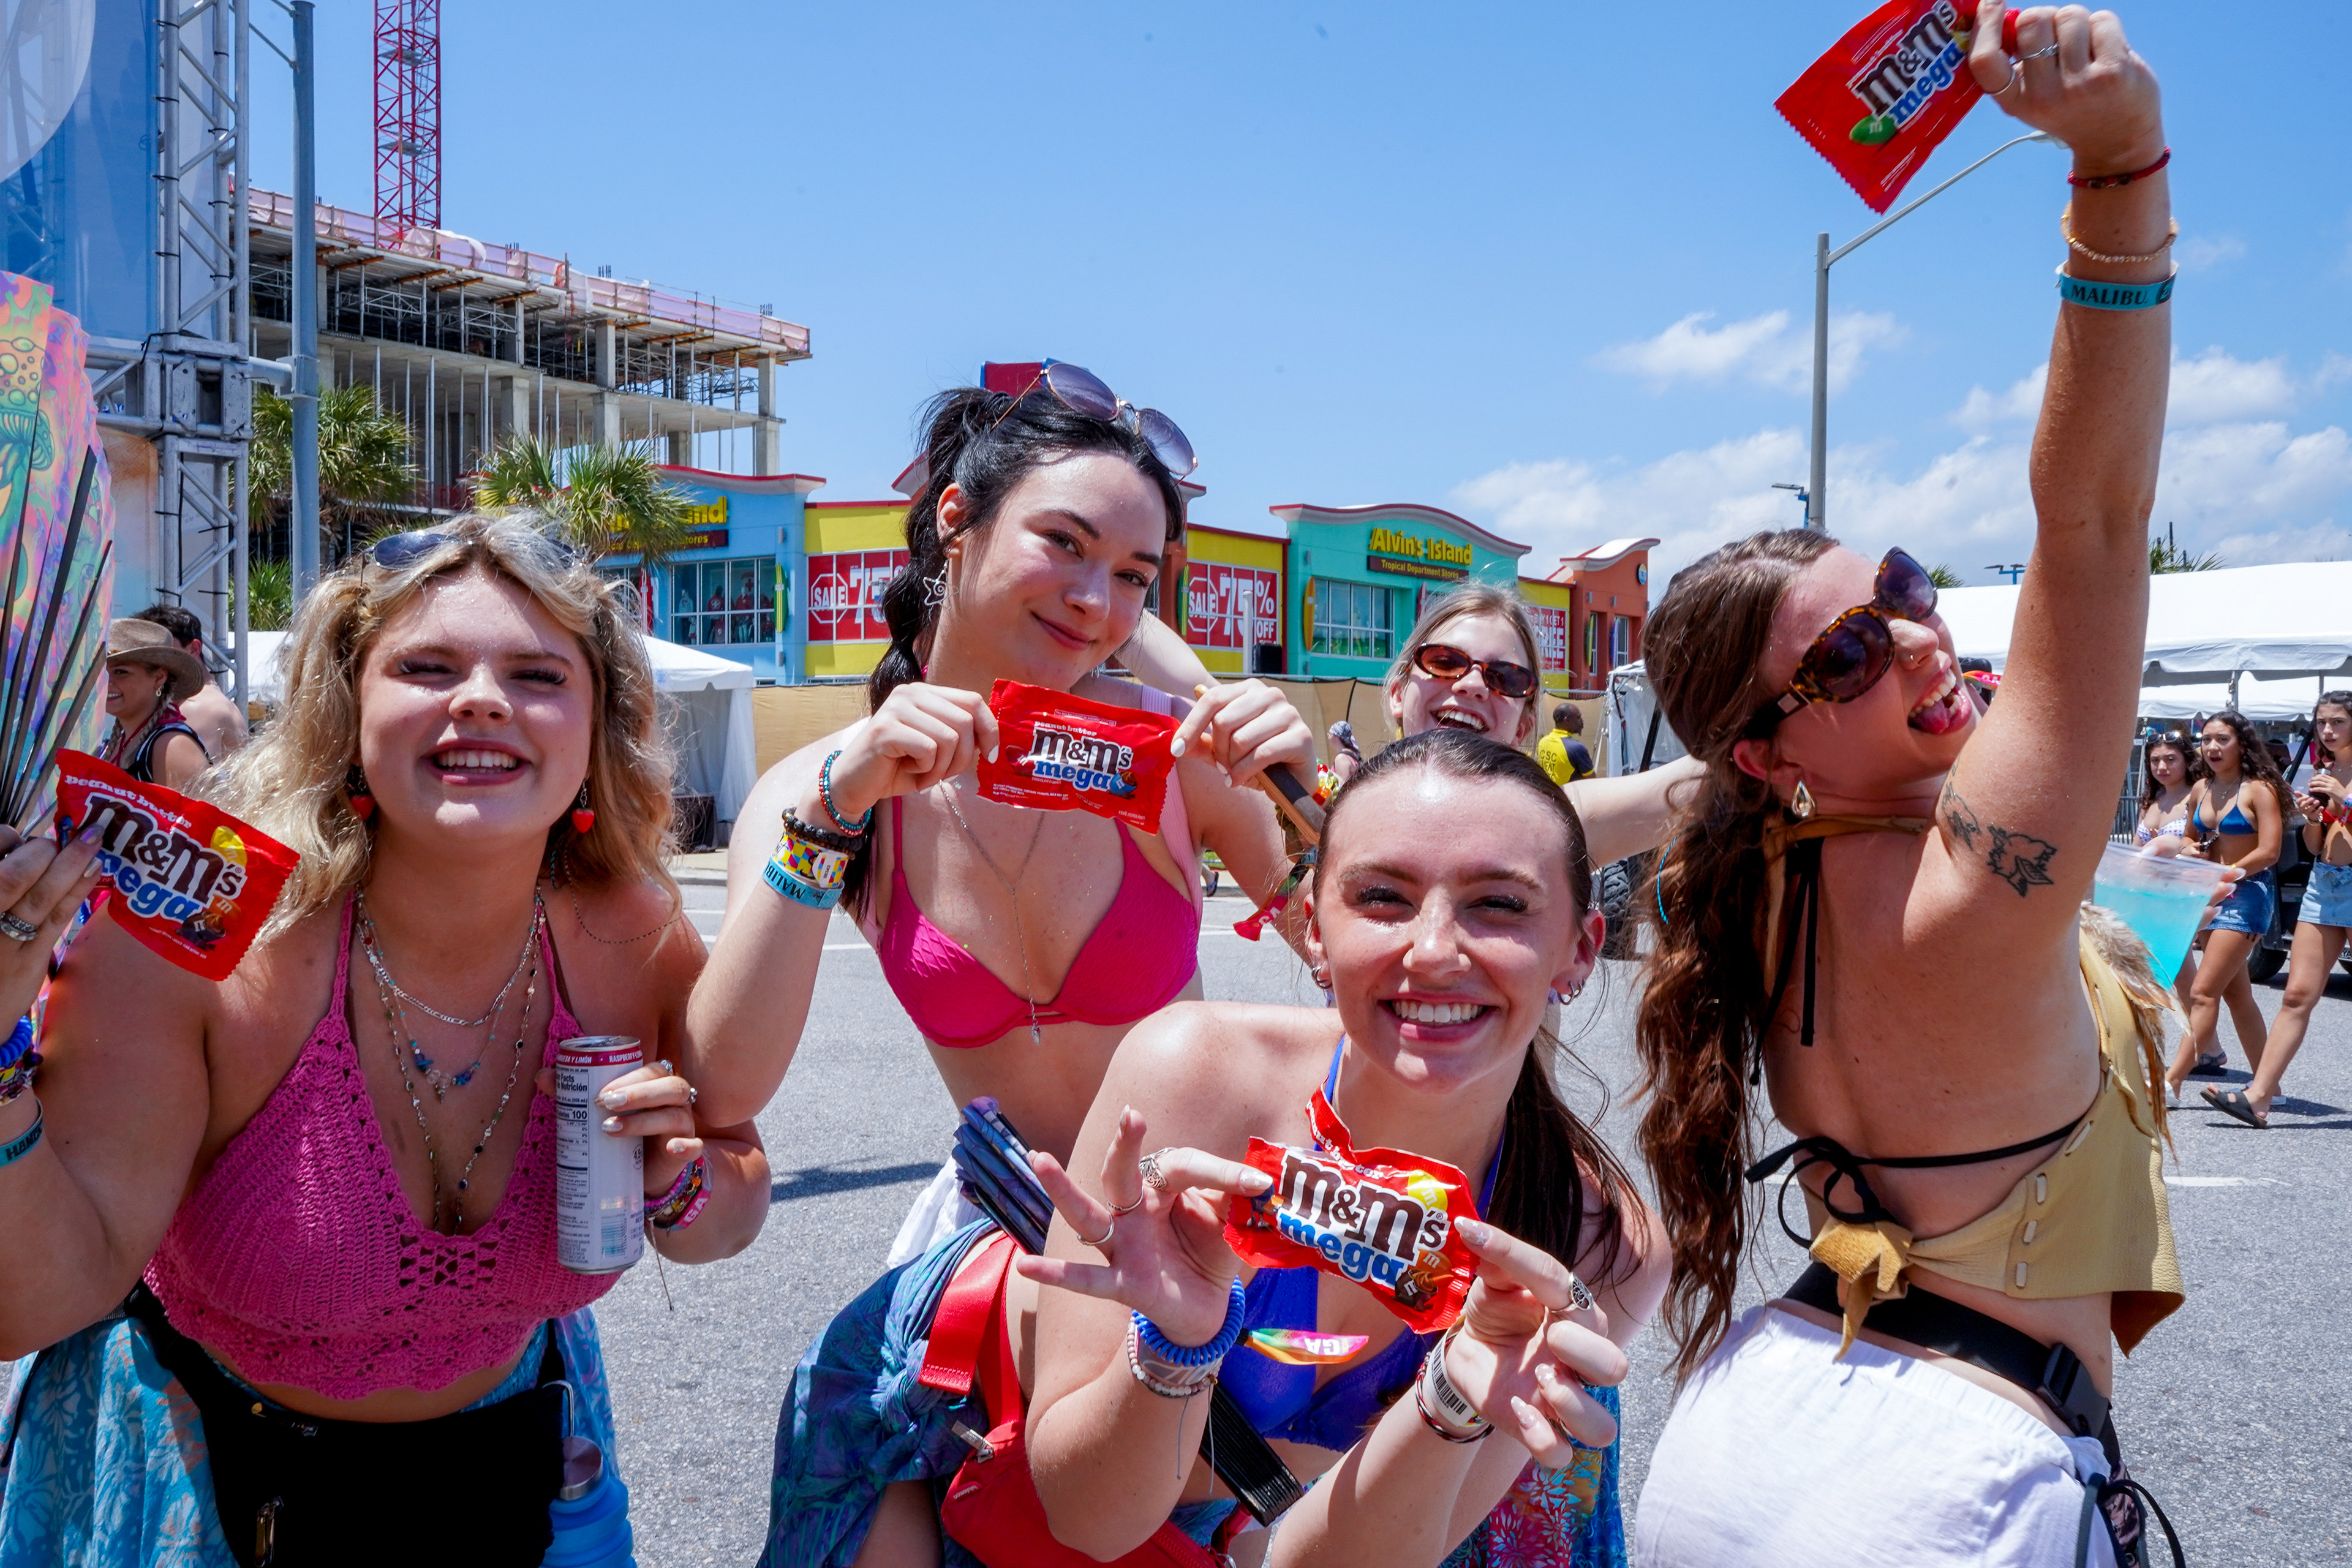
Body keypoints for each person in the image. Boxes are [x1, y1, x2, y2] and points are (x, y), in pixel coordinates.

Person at [1630, 9, 2184, 1561]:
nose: (1925, 637)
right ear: (1767, 750)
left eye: (1904, 586)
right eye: (1854, 649)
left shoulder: (1753, 874)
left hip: (1764, 1412)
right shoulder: (1966, 885)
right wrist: (2120, 168)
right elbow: (2091, 526)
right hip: (1952, 1478)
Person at [0, 514, 768, 1565]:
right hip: (204, 1490)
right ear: (347, 706)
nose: (483, 698)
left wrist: (683, 1189)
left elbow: (733, 1188)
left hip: (527, 1490)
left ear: (595, 726)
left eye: (539, 675)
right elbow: (36, 1304)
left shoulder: (632, 934)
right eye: (427, 667)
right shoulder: (205, 946)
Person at [764, 729, 1668, 1567]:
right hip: (939, 1403)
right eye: (1382, 897)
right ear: (1315, 927)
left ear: (1579, 949)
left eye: (1499, 904)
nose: (1433, 951)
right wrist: (1177, 1346)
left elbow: (1318, 1561)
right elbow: (1087, 1515)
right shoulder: (1196, 1072)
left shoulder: (1593, 1250)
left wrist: (1448, 1405)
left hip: (1219, 1518)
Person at [686, 368, 1320, 1275]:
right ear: (955, 518)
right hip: (1011, 1253)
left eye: (1132, 576)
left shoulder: (1177, 750)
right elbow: (722, 1088)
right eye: (1064, 542)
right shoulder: (822, 787)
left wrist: (1311, 806)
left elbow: (1361, 962)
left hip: (1208, 1243)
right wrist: (832, 814)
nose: (1094, 600)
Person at [1385, 582, 1702, 869]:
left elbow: (1712, 774)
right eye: (1444, 661)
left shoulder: (1548, 826)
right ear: (1398, 694)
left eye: (1506, 678)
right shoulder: (1352, 811)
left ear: (1522, 729)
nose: (1473, 685)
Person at [2205, 690, 2352, 1128]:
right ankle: (2259, 1096)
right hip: (2325, 884)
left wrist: (2344, 801)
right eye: (2322, 722)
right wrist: (2314, 818)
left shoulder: (2337, 780)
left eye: (2338, 722)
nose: (2327, 731)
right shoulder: (2327, 771)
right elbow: (2314, 844)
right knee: (2296, 995)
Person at [2165, 709, 2289, 1101]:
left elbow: (2270, 851)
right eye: (2206, 740)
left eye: (2223, 739)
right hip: (2209, 894)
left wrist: (2228, 873)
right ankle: (2271, 1087)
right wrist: (2192, 850)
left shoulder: (2259, 789)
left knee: (2203, 992)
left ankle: (2171, 1082)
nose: (2212, 747)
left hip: (2247, 895)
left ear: (2242, 744)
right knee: (2238, 996)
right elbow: (2188, 837)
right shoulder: (2201, 788)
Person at [97, 618, 211, 790]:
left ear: (159, 678)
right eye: (101, 671)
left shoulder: (172, 746)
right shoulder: (117, 744)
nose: (106, 682)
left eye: (121, 672)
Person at [2135, 729, 2202, 1007]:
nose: (2162, 766)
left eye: (2171, 759)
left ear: (2187, 760)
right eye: (2155, 760)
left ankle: (2202, 1034)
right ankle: (2205, 1041)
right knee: (2158, 976)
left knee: (2179, 976)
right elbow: (2136, 850)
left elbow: (2201, 845)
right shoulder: (2152, 801)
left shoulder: (2196, 797)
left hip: (2180, 894)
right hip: (2147, 895)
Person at [135, 600, 251, 759]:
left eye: (162, 650)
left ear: (194, 649)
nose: (152, 660)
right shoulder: (202, 701)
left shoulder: (199, 707)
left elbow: (181, 773)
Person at [1535, 703, 1595, 785]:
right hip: (1565, 792)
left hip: (1547, 790)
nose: (1582, 720)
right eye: (1578, 717)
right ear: (1567, 721)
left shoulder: (1543, 741)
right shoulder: (1576, 748)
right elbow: (1592, 781)